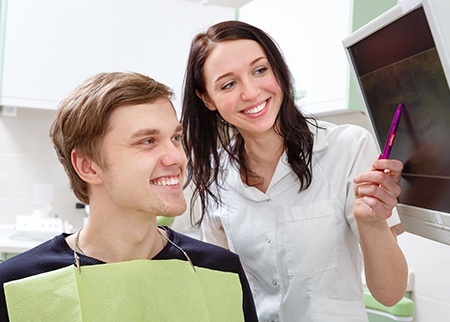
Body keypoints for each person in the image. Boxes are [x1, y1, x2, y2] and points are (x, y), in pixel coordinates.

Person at [181, 20, 408, 322]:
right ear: (207, 98)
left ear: (278, 70)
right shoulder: (215, 176)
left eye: (260, 70)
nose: (251, 92)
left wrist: (372, 224)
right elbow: (222, 291)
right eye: (228, 84)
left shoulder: (347, 148)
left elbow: (390, 294)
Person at [0, 72, 258, 322]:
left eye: (175, 138)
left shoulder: (222, 271)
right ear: (88, 166)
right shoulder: (17, 285)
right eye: (147, 141)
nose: (177, 157)